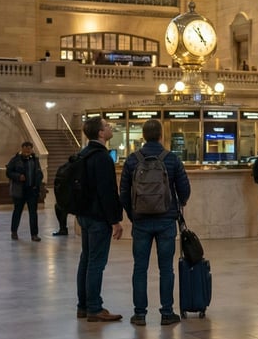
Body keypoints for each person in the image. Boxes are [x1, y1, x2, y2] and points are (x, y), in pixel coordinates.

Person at [119, 119, 191, 326]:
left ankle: (139, 314)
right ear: (161, 135)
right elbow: (184, 189)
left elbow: (124, 193)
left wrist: (133, 215)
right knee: (166, 268)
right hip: (166, 221)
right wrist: (178, 205)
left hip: (141, 221)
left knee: (139, 268)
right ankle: (167, 312)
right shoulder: (172, 159)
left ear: (143, 135)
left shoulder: (132, 160)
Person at [75, 117, 124, 322]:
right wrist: (115, 220)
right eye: (106, 125)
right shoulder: (103, 157)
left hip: (84, 215)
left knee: (86, 259)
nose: (110, 127)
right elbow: (107, 191)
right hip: (98, 217)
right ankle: (94, 307)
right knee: (96, 262)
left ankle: (83, 305)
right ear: (100, 133)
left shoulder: (83, 154)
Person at [6, 141, 44, 241]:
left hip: (32, 190)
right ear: (22, 148)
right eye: (26, 148)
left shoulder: (35, 160)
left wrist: (39, 178)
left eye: (29, 149)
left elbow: (39, 172)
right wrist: (18, 176)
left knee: (33, 213)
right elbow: (8, 172)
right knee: (17, 211)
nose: (28, 150)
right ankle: (14, 232)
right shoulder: (15, 160)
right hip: (20, 190)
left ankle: (34, 234)